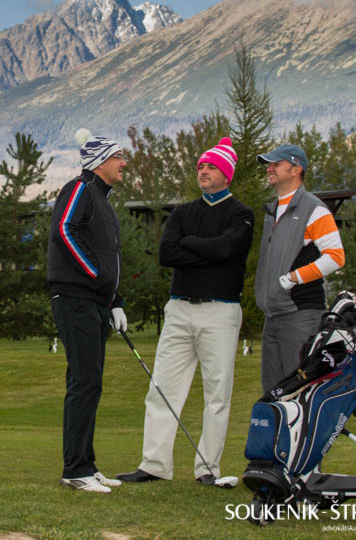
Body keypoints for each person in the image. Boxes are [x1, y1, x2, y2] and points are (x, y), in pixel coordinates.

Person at [116, 137, 254, 486]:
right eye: (201, 166)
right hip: (179, 310)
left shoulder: (241, 214)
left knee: (217, 394)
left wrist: (189, 244)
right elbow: (167, 254)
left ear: (226, 174)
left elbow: (227, 250)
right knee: (162, 388)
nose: (203, 171)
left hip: (220, 312)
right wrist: (208, 251)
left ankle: (208, 469)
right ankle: (155, 465)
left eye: (211, 166)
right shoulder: (182, 213)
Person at [47, 128, 128, 494]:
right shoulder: (79, 188)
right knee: (84, 381)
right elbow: (65, 230)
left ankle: (86, 465)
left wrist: (114, 299)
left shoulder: (102, 199)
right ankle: (75, 470)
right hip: (75, 298)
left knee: (90, 382)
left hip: (94, 301)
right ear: (100, 162)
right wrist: (96, 278)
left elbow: (108, 261)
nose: (123, 163)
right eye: (118, 157)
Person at [254, 143, 345, 396]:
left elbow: (336, 257)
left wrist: (294, 278)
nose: (269, 169)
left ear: (296, 169)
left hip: (300, 314)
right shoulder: (273, 210)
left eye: (277, 164)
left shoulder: (313, 209)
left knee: (300, 392)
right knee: (273, 393)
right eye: (269, 165)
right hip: (273, 316)